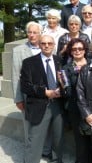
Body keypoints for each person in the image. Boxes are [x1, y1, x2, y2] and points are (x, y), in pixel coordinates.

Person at [12, 21, 54, 160]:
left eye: (35, 32)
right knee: (30, 127)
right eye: (29, 32)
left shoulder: (47, 47)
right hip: (28, 96)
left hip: (48, 96)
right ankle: (31, 154)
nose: (32, 35)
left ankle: (46, 150)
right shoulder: (19, 51)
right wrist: (18, 98)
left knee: (47, 126)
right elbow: (15, 76)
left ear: (40, 33)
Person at [20, 35, 64, 163]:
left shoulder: (59, 60)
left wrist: (63, 90)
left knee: (58, 137)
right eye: (43, 43)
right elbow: (25, 86)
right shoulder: (29, 62)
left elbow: (65, 80)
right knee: (35, 139)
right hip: (39, 105)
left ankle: (56, 160)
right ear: (39, 44)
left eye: (49, 43)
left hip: (58, 104)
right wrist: (45, 92)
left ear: (54, 44)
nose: (46, 45)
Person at [62, 38, 92, 163]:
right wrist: (63, 84)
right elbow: (67, 92)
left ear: (85, 50)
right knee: (80, 142)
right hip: (75, 109)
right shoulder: (65, 69)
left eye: (80, 48)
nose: (77, 51)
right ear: (70, 51)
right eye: (74, 49)